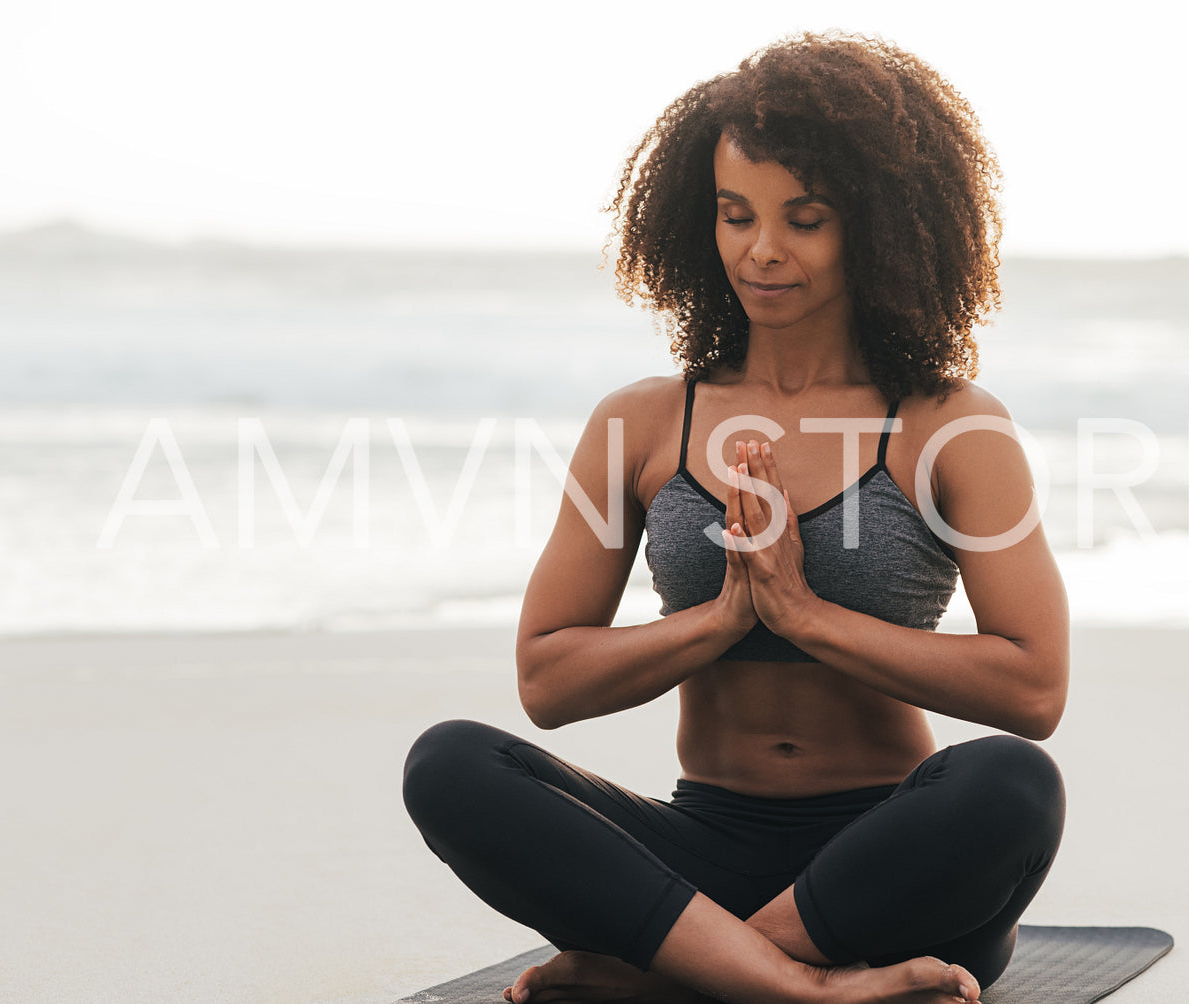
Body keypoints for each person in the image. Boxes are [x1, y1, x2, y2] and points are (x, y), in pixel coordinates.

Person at [403, 32, 1068, 1004]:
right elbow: (546, 676)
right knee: (450, 762)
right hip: (691, 851)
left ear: (875, 226)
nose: (760, 250)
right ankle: (794, 985)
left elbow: (1033, 687)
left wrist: (801, 613)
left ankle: (675, 976)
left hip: (889, 861)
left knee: (1011, 784)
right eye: (733, 214)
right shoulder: (638, 422)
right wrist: (720, 618)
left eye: (802, 218)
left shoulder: (949, 426)